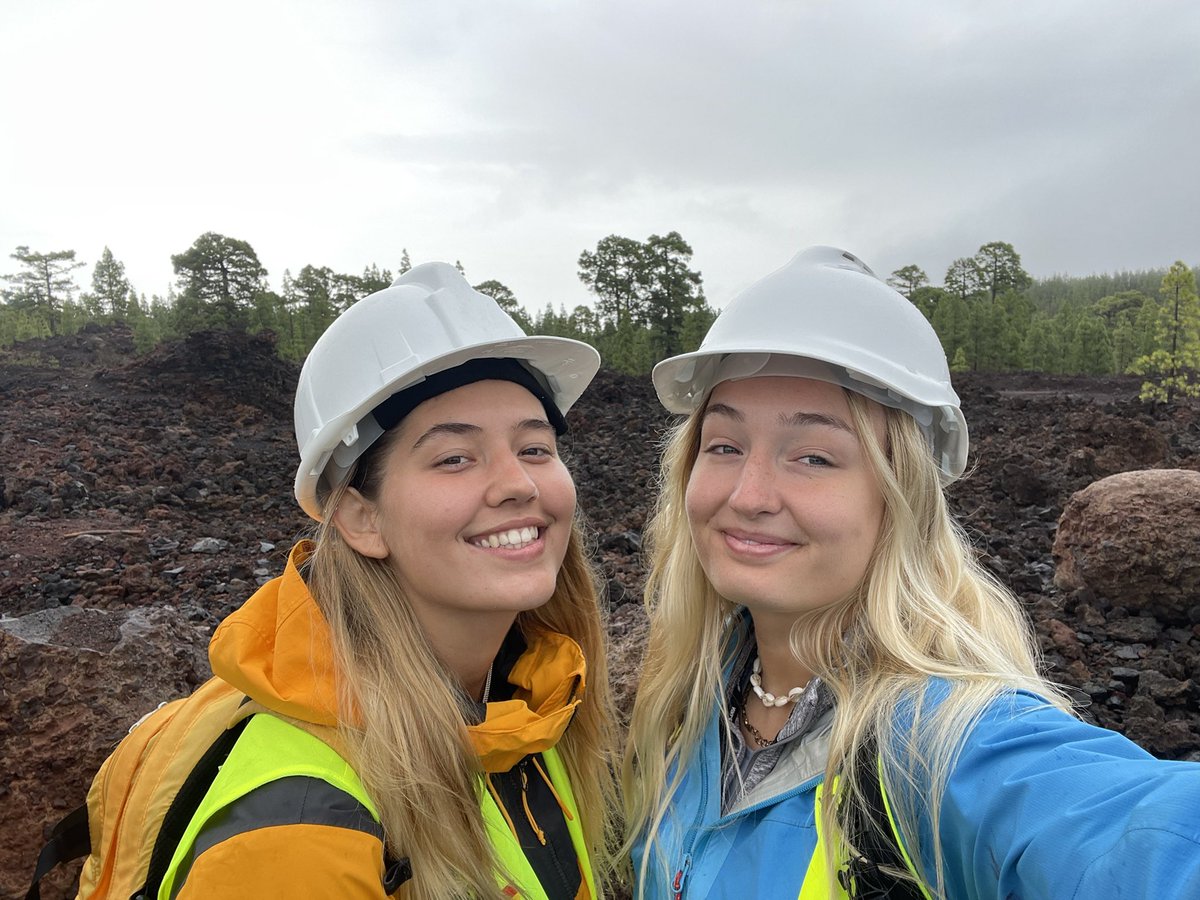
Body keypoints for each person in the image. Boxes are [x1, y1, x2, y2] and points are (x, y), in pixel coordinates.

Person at [621, 246, 1200, 899]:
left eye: (812, 456)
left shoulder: (936, 741)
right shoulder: (687, 697)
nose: (748, 495)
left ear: (902, 498)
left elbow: (1130, 836)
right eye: (723, 446)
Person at [164, 263, 617, 899]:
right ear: (360, 516)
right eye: (454, 458)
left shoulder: (525, 709)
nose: (519, 483)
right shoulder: (297, 836)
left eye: (535, 448)